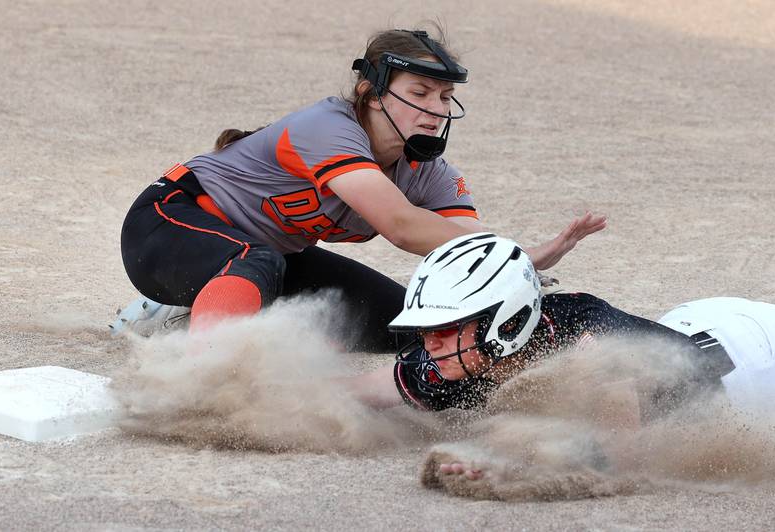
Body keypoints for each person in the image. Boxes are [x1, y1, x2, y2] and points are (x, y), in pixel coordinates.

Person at [118, 27, 605, 351]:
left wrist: (512, 267)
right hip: (165, 227)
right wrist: (514, 252)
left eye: (445, 96)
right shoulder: (326, 126)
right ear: (371, 94)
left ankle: (200, 311)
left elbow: (465, 249)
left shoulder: (431, 172)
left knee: (408, 326)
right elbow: (402, 226)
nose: (436, 109)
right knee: (255, 261)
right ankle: (206, 376)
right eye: (419, 93)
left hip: (266, 256)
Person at [382, 232, 775, 491]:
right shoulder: (462, 354)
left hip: (761, 365)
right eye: (426, 328)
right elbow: (362, 394)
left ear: (503, 323)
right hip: (692, 322)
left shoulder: (595, 347)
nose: (429, 342)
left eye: (446, 327)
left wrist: (509, 471)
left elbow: (620, 456)